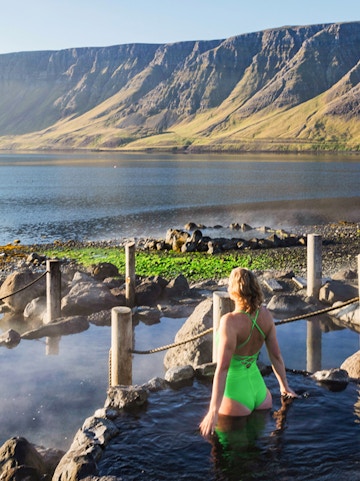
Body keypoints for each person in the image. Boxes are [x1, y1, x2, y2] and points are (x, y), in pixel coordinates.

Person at [199, 267, 297, 437]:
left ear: (233, 291)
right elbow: (276, 356)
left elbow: (222, 368)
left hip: (235, 395)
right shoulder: (265, 315)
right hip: (261, 394)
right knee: (257, 450)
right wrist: (284, 386)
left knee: (232, 459)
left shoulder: (229, 321)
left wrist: (213, 411)